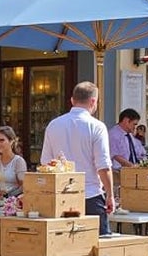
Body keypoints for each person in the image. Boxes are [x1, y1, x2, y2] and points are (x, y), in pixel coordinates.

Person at [40, 81, 114, 234]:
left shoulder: (54, 125)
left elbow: (45, 163)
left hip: (61, 195)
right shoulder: (97, 126)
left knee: (66, 248)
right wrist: (110, 195)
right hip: (90, 194)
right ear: (93, 101)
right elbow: (103, 166)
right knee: (97, 247)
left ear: (72, 100)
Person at [0, 125, 27, 197]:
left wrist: (8, 195)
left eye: (1, 140)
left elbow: (24, 186)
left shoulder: (18, 161)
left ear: (11, 141)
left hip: (11, 203)